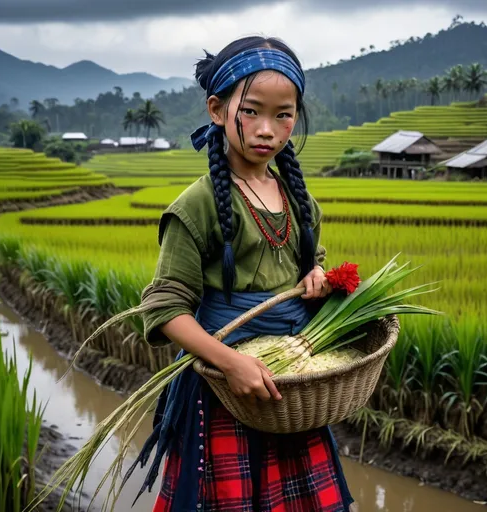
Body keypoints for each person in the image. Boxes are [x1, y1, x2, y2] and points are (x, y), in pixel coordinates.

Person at [128, 35, 354, 512]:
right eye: (250, 111)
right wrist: (230, 364)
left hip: (292, 388)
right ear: (217, 109)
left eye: (283, 114)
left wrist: (316, 277)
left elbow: (311, 263)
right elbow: (165, 308)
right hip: (223, 392)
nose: (267, 129)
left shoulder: (298, 199)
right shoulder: (198, 205)